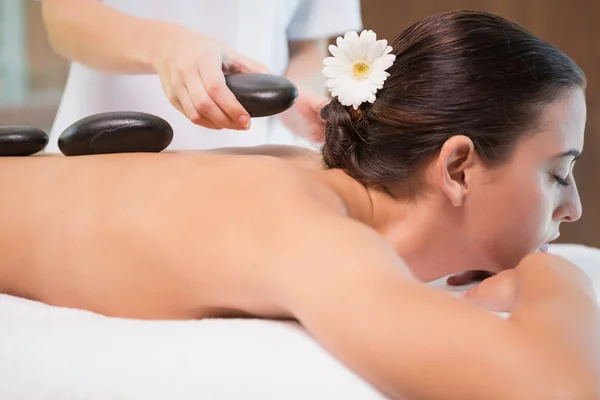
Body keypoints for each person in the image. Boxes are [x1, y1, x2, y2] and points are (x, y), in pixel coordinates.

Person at [1, 10, 599, 400]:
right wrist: (552, 272)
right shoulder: (308, 236)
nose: (571, 208)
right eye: (557, 173)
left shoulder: (310, 187)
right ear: (457, 167)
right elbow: (554, 386)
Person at [38, 0, 362, 151]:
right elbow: (64, 16)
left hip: (261, 158)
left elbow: (306, 42)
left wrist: (293, 97)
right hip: (112, 153)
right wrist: (165, 46)